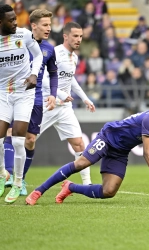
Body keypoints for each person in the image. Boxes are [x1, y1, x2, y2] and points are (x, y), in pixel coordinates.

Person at [25, 92, 149, 205]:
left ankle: (70, 187)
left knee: (109, 192)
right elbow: (147, 153)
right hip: (108, 137)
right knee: (81, 163)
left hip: (121, 150)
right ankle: (38, 191)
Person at [4, 9, 58, 196]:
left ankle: (21, 179)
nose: (49, 28)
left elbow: (53, 73)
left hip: (34, 97)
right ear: (34, 25)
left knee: (30, 140)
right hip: (12, 94)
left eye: (50, 25)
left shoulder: (49, 49)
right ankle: (8, 176)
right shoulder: (19, 40)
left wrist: (53, 93)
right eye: (45, 25)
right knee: (10, 133)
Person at [39, 22, 95, 186]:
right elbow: (44, 78)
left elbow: (71, 80)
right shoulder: (54, 53)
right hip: (48, 104)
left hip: (64, 108)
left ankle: (87, 183)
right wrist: (61, 94)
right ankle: (15, 179)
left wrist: (85, 98)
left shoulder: (74, 57)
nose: (79, 40)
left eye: (81, 36)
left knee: (79, 144)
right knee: (28, 140)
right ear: (65, 36)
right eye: (75, 36)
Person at [0, 4, 43, 203]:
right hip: (3, 94)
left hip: (24, 93)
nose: (15, 23)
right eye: (11, 20)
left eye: (15, 18)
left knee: (18, 140)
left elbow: (38, 55)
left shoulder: (24, 35)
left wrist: (34, 74)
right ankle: (2, 174)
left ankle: (17, 183)